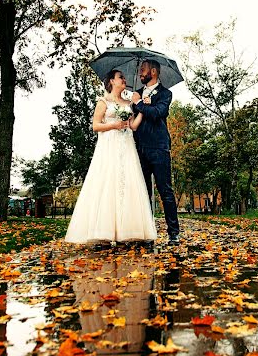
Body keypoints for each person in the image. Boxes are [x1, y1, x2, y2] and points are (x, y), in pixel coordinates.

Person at [65, 69, 157, 245]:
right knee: (107, 184)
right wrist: (114, 125)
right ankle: (103, 233)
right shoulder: (103, 101)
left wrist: (143, 109)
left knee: (127, 184)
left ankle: (128, 232)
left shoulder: (129, 103)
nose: (124, 79)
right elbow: (95, 126)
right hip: (108, 146)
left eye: (123, 77)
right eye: (120, 77)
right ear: (111, 82)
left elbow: (133, 126)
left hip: (127, 146)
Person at [131, 59, 180, 244]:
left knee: (165, 191)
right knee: (143, 192)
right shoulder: (136, 93)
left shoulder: (166, 94)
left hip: (159, 148)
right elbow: (133, 117)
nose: (140, 73)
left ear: (153, 71)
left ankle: (173, 233)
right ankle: (147, 233)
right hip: (139, 148)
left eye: (142, 70)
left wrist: (141, 104)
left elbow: (158, 113)